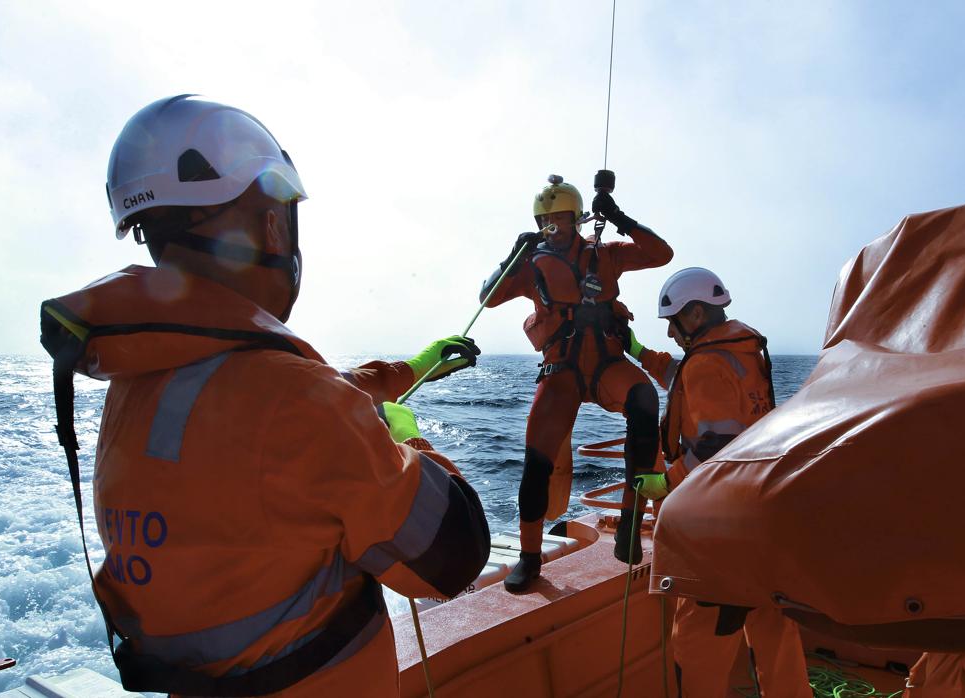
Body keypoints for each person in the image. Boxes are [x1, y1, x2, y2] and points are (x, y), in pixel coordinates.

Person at [39, 95, 491, 697]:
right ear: (273, 224)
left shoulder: (139, 383)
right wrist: (403, 434)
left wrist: (406, 369)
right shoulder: (298, 404)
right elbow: (453, 555)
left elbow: (259, 422)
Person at [481, 174, 673, 592]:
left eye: (564, 216)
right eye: (547, 218)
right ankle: (530, 557)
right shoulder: (532, 265)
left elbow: (661, 253)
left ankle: (630, 521)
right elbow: (487, 297)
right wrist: (513, 257)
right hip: (561, 371)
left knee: (643, 400)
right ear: (539, 221)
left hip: (607, 364)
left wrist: (620, 217)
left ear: (578, 217)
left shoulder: (605, 254)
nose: (556, 225)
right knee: (536, 461)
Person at [627, 267, 812, 698]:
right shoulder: (742, 352)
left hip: (720, 533)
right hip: (764, 520)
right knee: (775, 636)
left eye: (673, 324)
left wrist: (662, 482)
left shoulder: (707, 363)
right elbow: (682, 380)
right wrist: (638, 350)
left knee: (697, 649)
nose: (671, 335)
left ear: (693, 315)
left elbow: (715, 449)